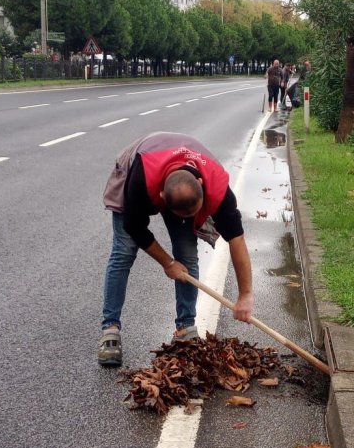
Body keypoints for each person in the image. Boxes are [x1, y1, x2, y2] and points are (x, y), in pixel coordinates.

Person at [98, 132, 255, 365]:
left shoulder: (217, 186)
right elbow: (135, 228)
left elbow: (237, 239)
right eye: (184, 215)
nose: (191, 218)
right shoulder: (141, 180)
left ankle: (185, 328)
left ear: (201, 186)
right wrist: (168, 263)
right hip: (139, 162)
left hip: (175, 173)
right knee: (123, 253)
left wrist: (245, 295)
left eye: (195, 212)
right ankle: (110, 329)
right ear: (161, 197)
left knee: (188, 256)